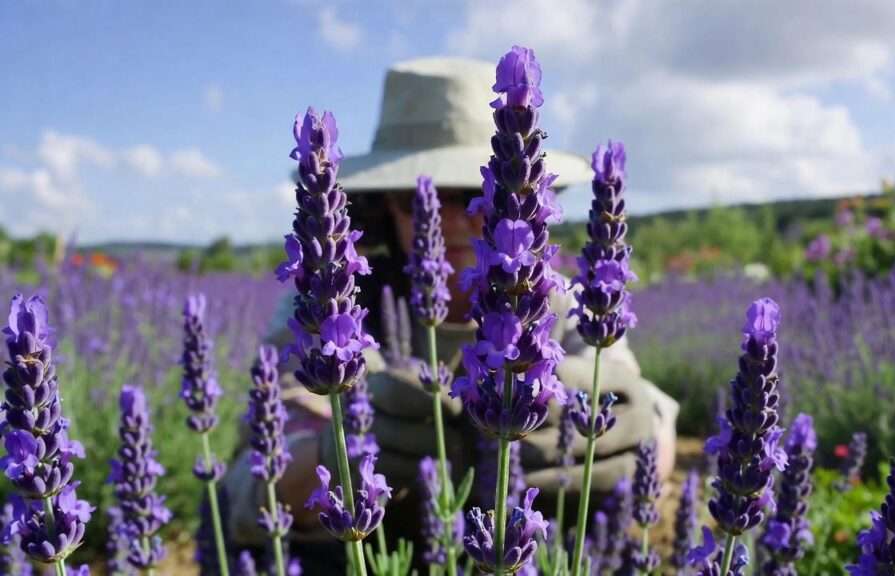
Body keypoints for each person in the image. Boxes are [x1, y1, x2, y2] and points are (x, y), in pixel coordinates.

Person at [221, 56, 678, 573]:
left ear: (505, 191)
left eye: (467, 194)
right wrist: (330, 452)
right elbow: (248, 479)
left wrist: (633, 429)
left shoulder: (555, 300)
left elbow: (653, 417)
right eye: (417, 201)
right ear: (381, 208)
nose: (449, 219)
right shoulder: (325, 295)